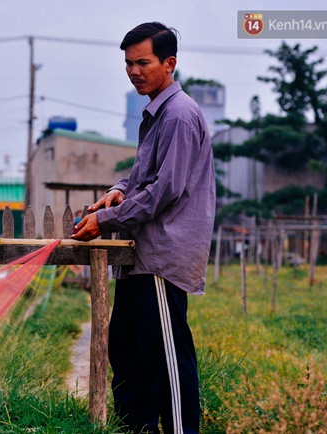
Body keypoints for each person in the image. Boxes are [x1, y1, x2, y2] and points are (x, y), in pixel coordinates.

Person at [70, 22, 215, 434]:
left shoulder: (179, 116)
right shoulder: (156, 113)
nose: (134, 71)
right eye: (128, 63)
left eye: (143, 62)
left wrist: (105, 219)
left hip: (161, 255)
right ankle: (138, 427)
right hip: (141, 252)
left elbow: (163, 192)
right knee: (128, 348)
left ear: (169, 63)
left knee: (166, 354)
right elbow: (142, 179)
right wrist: (116, 191)